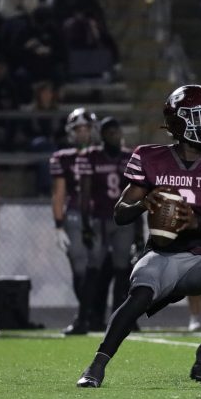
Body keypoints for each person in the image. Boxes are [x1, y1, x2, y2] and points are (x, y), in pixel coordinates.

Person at [76, 85, 201, 387]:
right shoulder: (149, 156)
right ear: (179, 122)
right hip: (160, 255)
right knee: (138, 298)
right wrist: (145, 202)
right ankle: (96, 365)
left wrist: (199, 223)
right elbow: (120, 213)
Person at [70, 117, 135, 334]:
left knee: (122, 270)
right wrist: (85, 224)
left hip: (123, 220)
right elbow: (85, 193)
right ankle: (83, 319)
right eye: (110, 133)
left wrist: (140, 229)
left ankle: (120, 319)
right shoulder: (91, 156)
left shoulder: (129, 157)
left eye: (117, 132)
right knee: (92, 269)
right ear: (103, 135)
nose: (114, 136)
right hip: (99, 219)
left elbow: (139, 193)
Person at [53, 108, 98, 335]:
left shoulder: (102, 154)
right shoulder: (63, 158)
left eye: (86, 128)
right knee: (80, 268)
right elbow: (59, 192)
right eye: (78, 129)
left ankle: (94, 316)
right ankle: (85, 315)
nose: (82, 133)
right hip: (75, 217)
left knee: (102, 268)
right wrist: (58, 224)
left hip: (101, 217)